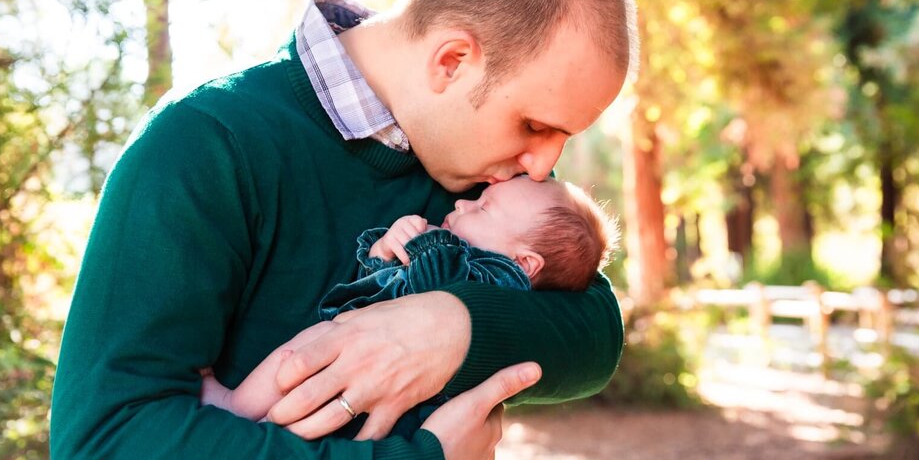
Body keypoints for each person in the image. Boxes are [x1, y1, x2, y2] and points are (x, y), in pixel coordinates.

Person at [50, 0, 638, 460]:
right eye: (535, 125)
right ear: (452, 60)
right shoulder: (205, 145)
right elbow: (105, 445)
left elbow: (594, 328)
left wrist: (452, 326)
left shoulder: (481, 180)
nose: (541, 165)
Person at [201, 175, 620, 431]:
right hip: (360, 345)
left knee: (299, 360)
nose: (462, 203)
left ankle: (236, 408)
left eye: (483, 207)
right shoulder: (498, 240)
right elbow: (380, 285)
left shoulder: (501, 278)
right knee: (299, 360)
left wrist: (428, 242)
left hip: (388, 388)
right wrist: (385, 250)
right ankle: (240, 409)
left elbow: (440, 291)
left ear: (525, 263)